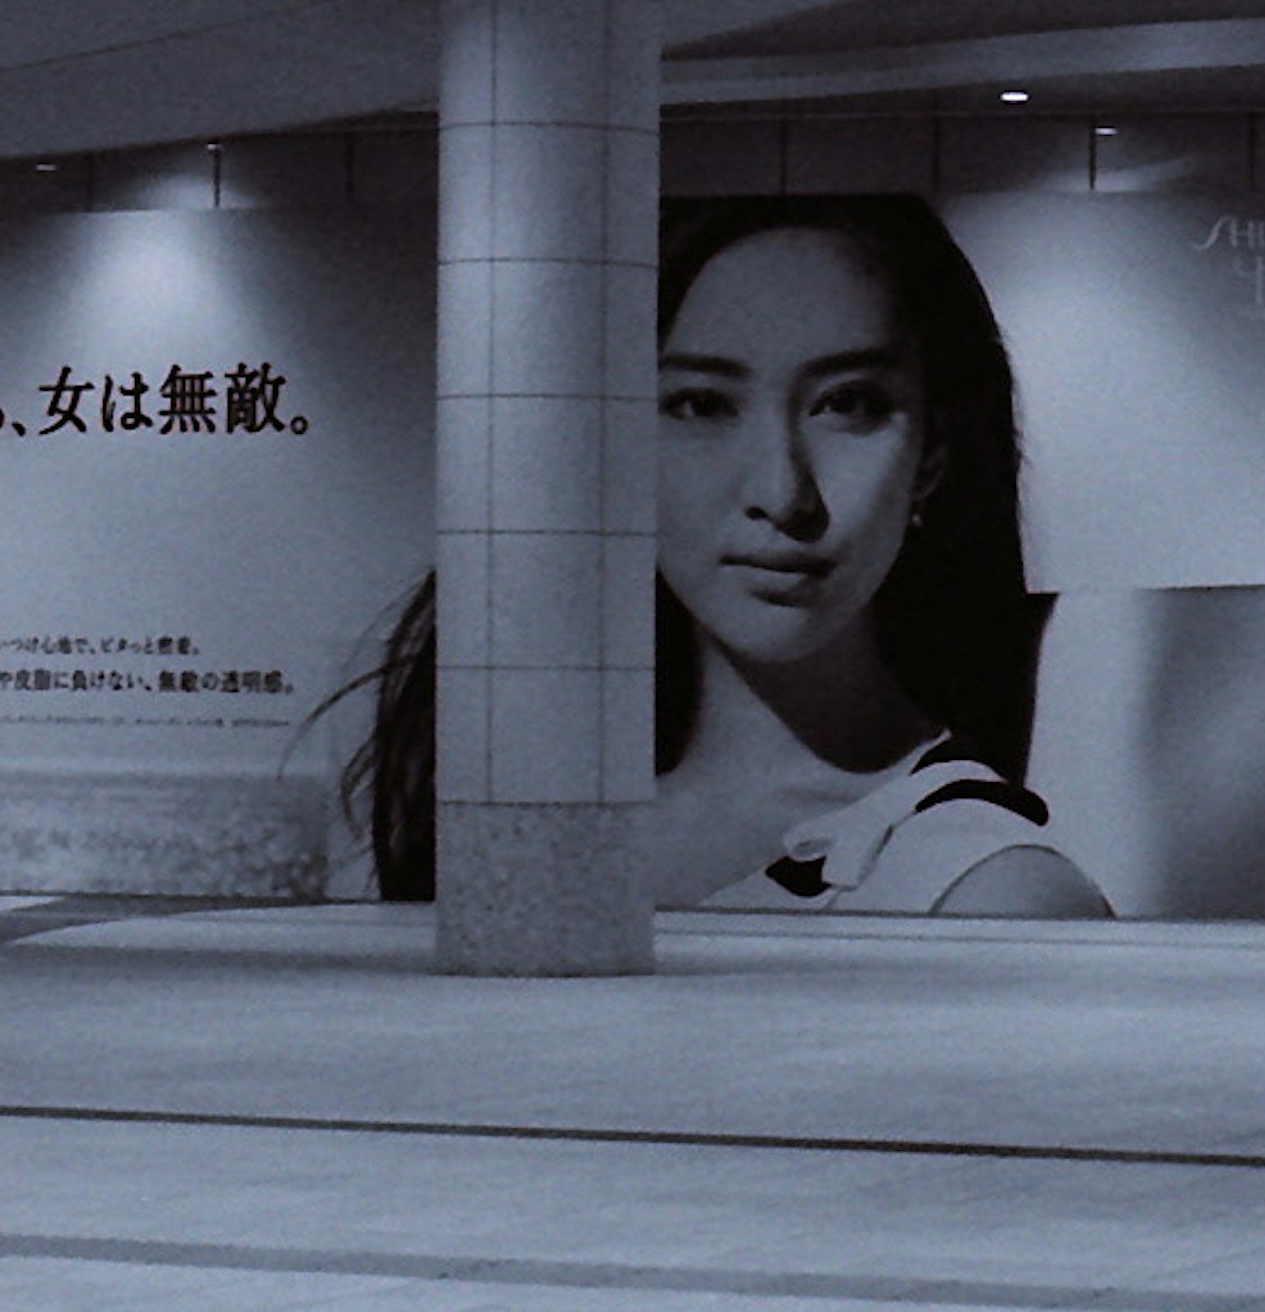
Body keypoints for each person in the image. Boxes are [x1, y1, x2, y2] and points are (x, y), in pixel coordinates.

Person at [346, 195, 1110, 918]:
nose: (783, 494)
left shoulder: (987, 889)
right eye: (702, 405)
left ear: (932, 456)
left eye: (848, 404)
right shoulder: (491, 809)